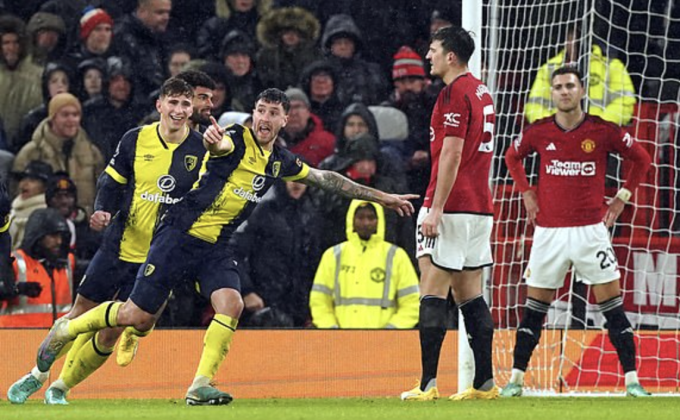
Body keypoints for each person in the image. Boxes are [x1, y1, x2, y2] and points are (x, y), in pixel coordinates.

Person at [34, 88, 417, 406]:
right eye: (261, 110)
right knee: (135, 316)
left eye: (274, 113)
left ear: (285, 121)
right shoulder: (234, 140)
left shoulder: (279, 161)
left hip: (216, 245)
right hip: (178, 236)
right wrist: (214, 143)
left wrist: (382, 197)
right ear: (253, 114)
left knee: (231, 304)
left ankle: (200, 384)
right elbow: (217, 147)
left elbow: (327, 178)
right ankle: (68, 330)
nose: (266, 118)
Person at [7, 77, 207, 405]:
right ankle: (36, 375)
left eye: (185, 104)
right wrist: (102, 210)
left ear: (191, 109)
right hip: (119, 245)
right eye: (173, 102)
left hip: (159, 256)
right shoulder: (135, 140)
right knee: (81, 312)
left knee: (111, 331)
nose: (179, 110)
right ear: (160, 105)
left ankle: (61, 388)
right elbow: (111, 182)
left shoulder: (201, 150)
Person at [502, 66, 652, 398]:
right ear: (552, 93)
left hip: (590, 232)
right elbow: (512, 156)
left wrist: (623, 196)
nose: (564, 91)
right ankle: (515, 380)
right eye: (558, 87)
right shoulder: (538, 132)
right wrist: (527, 191)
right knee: (534, 310)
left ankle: (632, 381)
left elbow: (641, 159)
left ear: (582, 90)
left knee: (612, 307)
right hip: (549, 234)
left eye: (570, 85)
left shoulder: (602, 130)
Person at [401, 26, 498, 402]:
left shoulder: (454, 93)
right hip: (479, 207)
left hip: (452, 205)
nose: (429, 56)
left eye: (434, 50)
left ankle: (426, 385)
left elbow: (454, 153)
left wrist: (435, 209)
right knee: (470, 294)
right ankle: (485, 384)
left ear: (451, 56)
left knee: (432, 289)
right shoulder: (482, 90)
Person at [310, 200, 419, 329]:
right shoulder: (333, 255)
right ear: (352, 219)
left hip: (385, 344)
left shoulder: (396, 256)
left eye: (371, 218)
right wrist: (332, 330)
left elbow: (412, 303)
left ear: (379, 221)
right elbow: (319, 301)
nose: (366, 223)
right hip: (341, 343)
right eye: (360, 218)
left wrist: (391, 332)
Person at [231, 178, 324, 328]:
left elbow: (317, 264)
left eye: (303, 179)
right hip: (263, 305)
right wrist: (246, 291)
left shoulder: (313, 216)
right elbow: (234, 252)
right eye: (291, 178)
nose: (297, 183)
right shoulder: (264, 212)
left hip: (299, 309)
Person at [13, 92, 105, 215]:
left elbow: (103, 192)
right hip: (43, 226)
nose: (71, 120)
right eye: (65, 115)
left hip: (85, 226)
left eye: (75, 115)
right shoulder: (31, 152)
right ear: (52, 118)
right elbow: (16, 192)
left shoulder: (92, 153)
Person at [525, 27, 636, 126]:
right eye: (570, 37)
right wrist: (553, 127)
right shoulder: (549, 68)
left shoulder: (612, 67)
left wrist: (597, 127)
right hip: (556, 138)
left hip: (600, 137)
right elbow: (534, 106)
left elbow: (624, 104)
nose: (573, 43)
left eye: (578, 38)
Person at [0, 208, 74, 327]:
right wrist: (17, 289)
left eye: (61, 236)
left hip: (57, 340)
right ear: (37, 236)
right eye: (53, 236)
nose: (59, 241)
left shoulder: (68, 263)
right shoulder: (14, 261)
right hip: (16, 340)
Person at [9, 160, 53, 250]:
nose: (24, 184)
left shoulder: (46, 214)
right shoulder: (12, 210)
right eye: (23, 179)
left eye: (32, 180)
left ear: (45, 187)